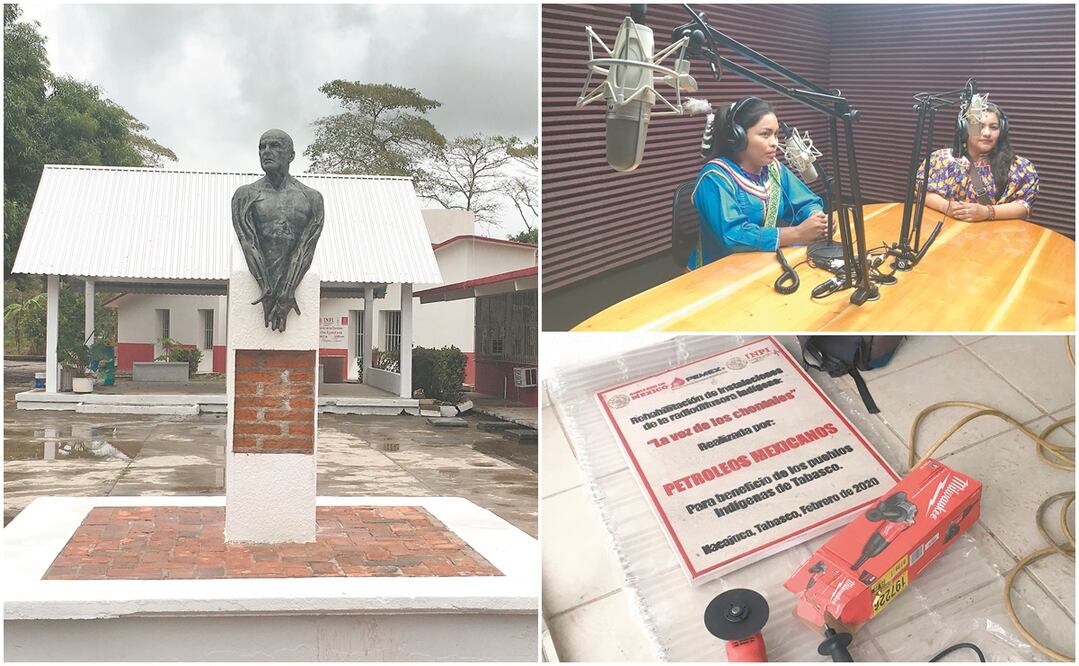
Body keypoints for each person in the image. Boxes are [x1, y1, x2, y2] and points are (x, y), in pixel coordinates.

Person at [688, 97, 827, 269]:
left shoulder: (774, 169)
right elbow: (733, 236)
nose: (774, 142)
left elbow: (805, 202)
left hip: (760, 262)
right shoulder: (714, 178)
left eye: (776, 134)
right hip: (715, 272)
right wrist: (798, 233)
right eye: (765, 134)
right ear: (738, 137)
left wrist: (816, 218)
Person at [232, 129, 325, 332]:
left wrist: (288, 290)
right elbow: (248, 242)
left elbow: (306, 247)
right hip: (264, 280)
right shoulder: (245, 196)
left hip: (289, 282)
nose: (266, 151)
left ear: (291, 155)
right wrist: (267, 289)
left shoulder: (312, 198)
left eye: (274, 146)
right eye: (262, 147)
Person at [916, 101, 1038, 222]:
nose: (987, 133)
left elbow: (1024, 206)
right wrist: (946, 207)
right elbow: (922, 192)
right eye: (979, 126)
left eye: (994, 127)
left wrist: (988, 212)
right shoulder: (941, 160)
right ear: (964, 128)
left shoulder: (1018, 167)